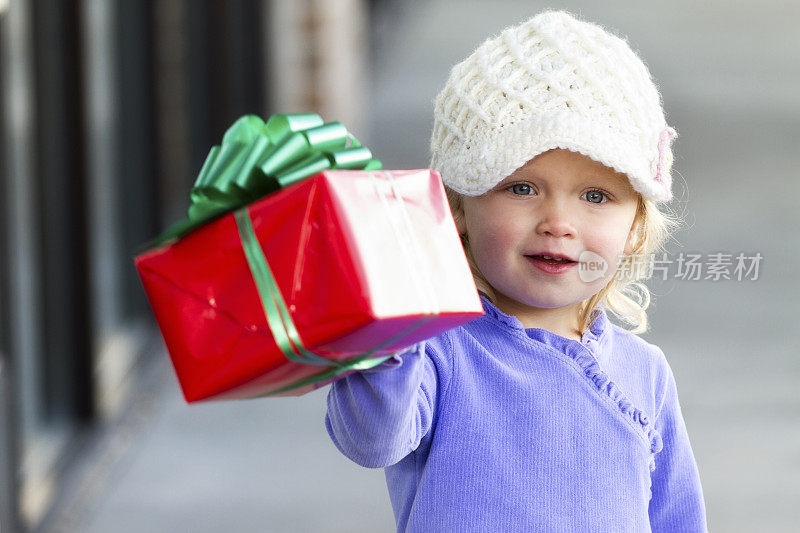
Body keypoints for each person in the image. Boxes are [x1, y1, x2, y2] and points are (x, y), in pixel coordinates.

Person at [324, 10, 707, 532]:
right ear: (457, 208)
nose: (558, 223)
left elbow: (677, 519)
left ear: (636, 227)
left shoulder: (645, 374)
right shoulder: (438, 351)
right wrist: (388, 332)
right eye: (521, 188)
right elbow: (372, 439)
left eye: (596, 196)